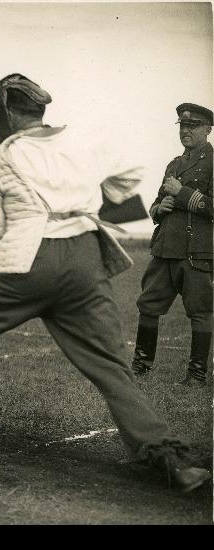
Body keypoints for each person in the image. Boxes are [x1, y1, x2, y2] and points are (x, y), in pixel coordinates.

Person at [0, 74, 211, 493]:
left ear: (5, 115)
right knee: (110, 365)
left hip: (26, 260)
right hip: (86, 260)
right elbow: (126, 184)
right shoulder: (79, 141)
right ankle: (173, 462)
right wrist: (82, 206)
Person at [131, 104, 212, 387]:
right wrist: (160, 208)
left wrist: (182, 192)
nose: (186, 130)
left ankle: (196, 375)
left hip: (196, 252)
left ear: (208, 129)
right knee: (148, 304)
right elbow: (155, 203)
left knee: (200, 312)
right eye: (182, 126)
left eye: (193, 126)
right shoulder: (173, 164)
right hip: (165, 248)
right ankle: (140, 366)